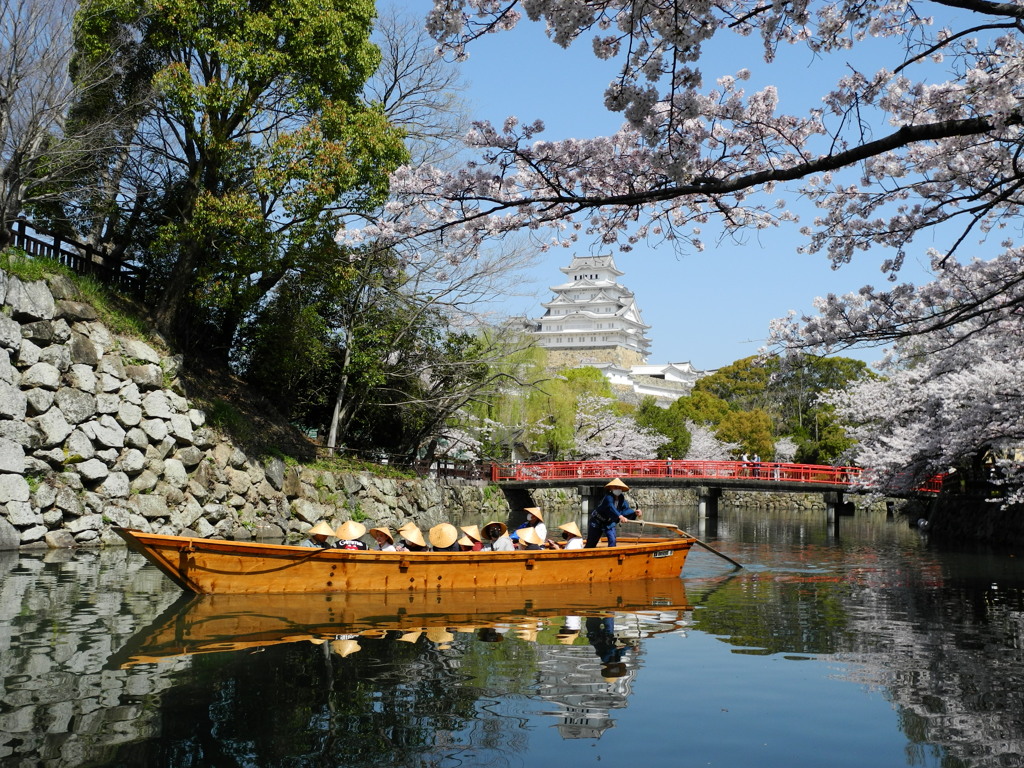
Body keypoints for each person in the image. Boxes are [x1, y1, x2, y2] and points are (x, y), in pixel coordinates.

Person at [585, 478, 642, 548]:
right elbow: (610, 507)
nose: (617, 489)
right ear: (611, 488)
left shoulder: (621, 499)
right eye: (615, 487)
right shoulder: (608, 497)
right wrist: (620, 516)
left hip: (609, 523)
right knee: (591, 543)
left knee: (612, 540)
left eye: (619, 487)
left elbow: (625, 510)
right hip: (597, 521)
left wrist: (634, 513)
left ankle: (611, 556)